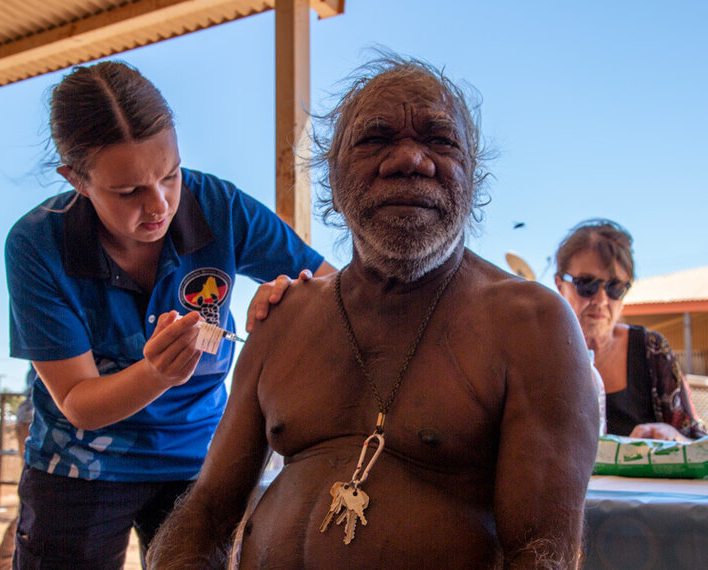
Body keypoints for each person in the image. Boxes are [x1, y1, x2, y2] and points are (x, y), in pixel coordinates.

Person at [147, 53, 599, 568]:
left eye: (441, 140)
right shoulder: (286, 318)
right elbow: (205, 513)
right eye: (375, 139)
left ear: (473, 181)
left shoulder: (532, 325)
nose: (411, 159)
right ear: (334, 183)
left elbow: (541, 556)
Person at [4, 60, 332, 569]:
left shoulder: (218, 206)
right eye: (128, 191)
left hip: (198, 462)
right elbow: (78, 402)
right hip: (79, 469)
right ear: (77, 180)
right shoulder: (37, 244)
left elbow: (331, 285)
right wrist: (156, 373)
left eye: (171, 174)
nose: (159, 204)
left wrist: (289, 296)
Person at [554, 219, 706, 441]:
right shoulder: (541, 354)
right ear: (560, 285)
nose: (601, 299)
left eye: (615, 287)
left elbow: (696, 441)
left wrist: (672, 436)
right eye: (586, 284)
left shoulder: (651, 350)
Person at [0, 366, 36, 570]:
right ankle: (4, 563)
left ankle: (4, 562)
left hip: (33, 416)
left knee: (34, 501)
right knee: (38, 501)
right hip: (44, 418)